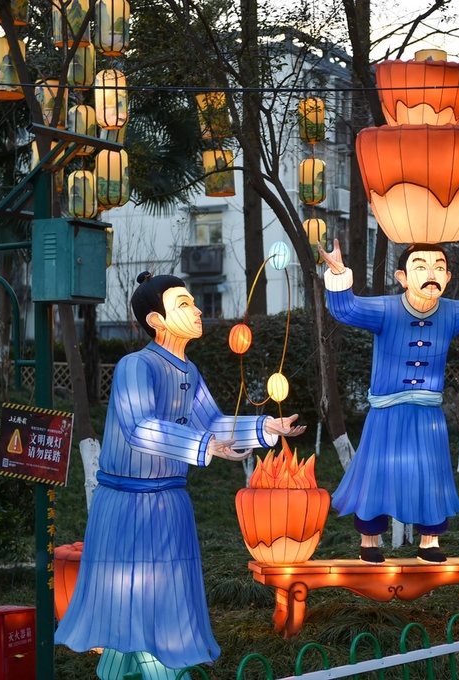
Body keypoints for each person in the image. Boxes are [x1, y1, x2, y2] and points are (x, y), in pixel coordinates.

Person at [55, 273, 306, 680]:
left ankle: (120, 671)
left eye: (193, 302)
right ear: (156, 320)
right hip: (127, 504)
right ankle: (164, 673)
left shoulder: (188, 370)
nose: (197, 310)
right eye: (185, 303)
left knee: (159, 602)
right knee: (141, 603)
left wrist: (265, 428)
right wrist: (204, 445)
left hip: (170, 500)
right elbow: (140, 428)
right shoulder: (134, 366)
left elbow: (214, 422)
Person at [319, 239, 459, 564]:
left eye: (438, 267)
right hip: (386, 411)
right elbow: (346, 309)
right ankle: (369, 541)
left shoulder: (450, 312)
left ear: (448, 277)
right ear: (402, 277)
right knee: (377, 474)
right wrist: (338, 273)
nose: (431, 274)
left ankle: (430, 541)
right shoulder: (385, 309)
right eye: (420, 267)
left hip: (428, 413)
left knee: (433, 474)